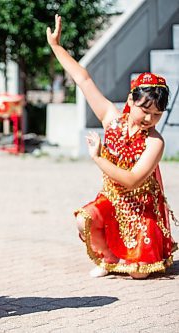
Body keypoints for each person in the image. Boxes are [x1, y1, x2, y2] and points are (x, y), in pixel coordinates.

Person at [47, 15, 177, 279]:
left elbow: (131, 180)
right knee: (83, 218)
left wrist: (97, 158)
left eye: (157, 114)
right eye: (144, 110)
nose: (150, 119)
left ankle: (128, 255)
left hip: (141, 208)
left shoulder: (155, 142)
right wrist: (57, 47)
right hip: (111, 199)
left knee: (140, 272)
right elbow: (83, 80)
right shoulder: (111, 119)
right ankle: (108, 257)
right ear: (131, 99)